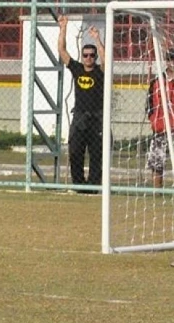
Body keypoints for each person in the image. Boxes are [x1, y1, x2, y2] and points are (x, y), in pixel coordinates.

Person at [58, 15, 106, 191]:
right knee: (76, 152)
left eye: (92, 56)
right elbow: (62, 52)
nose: (88, 58)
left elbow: (107, 59)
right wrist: (63, 28)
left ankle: (93, 186)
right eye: (85, 55)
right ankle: (79, 185)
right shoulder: (77, 69)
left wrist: (97, 39)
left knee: (96, 154)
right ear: (82, 56)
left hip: (97, 119)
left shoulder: (100, 72)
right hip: (80, 118)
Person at [146, 48, 174, 188]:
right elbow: (149, 102)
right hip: (160, 127)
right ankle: (157, 191)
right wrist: (153, 119)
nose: (172, 62)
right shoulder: (157, 81)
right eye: (169, 59)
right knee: (157, 163)